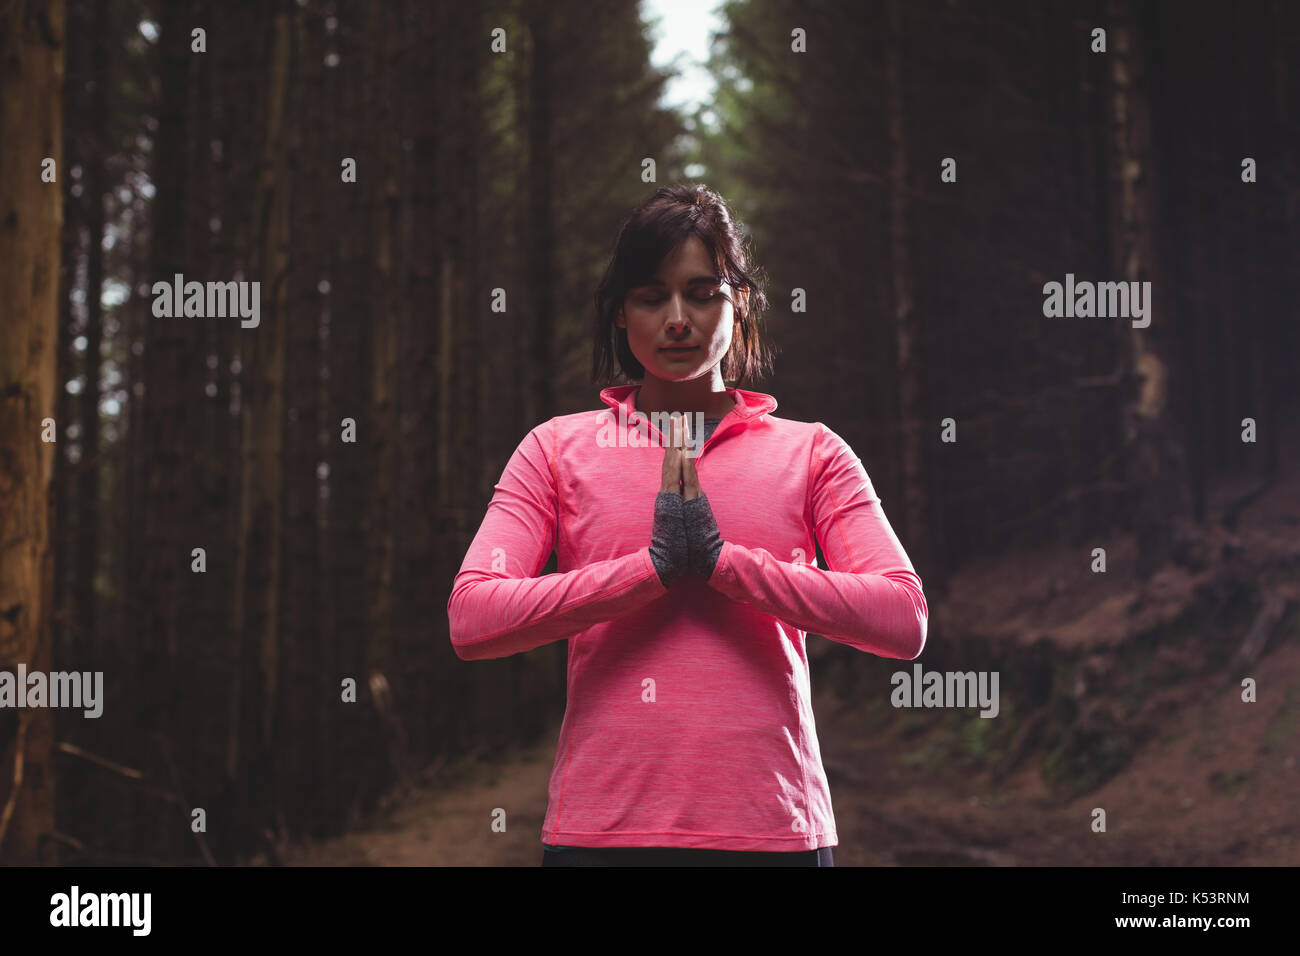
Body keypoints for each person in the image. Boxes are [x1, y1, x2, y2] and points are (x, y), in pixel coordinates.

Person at [447, 183, 928, 867]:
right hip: (601, 836)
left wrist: (723, 564)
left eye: (703, 293)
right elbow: (472, 618)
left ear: (741, 304)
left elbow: (903, 618)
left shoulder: (813, 452)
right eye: (651, 296)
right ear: (620, 312)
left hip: (774, 833)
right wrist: (652, 570)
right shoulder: (554, 449)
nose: (678, 319)